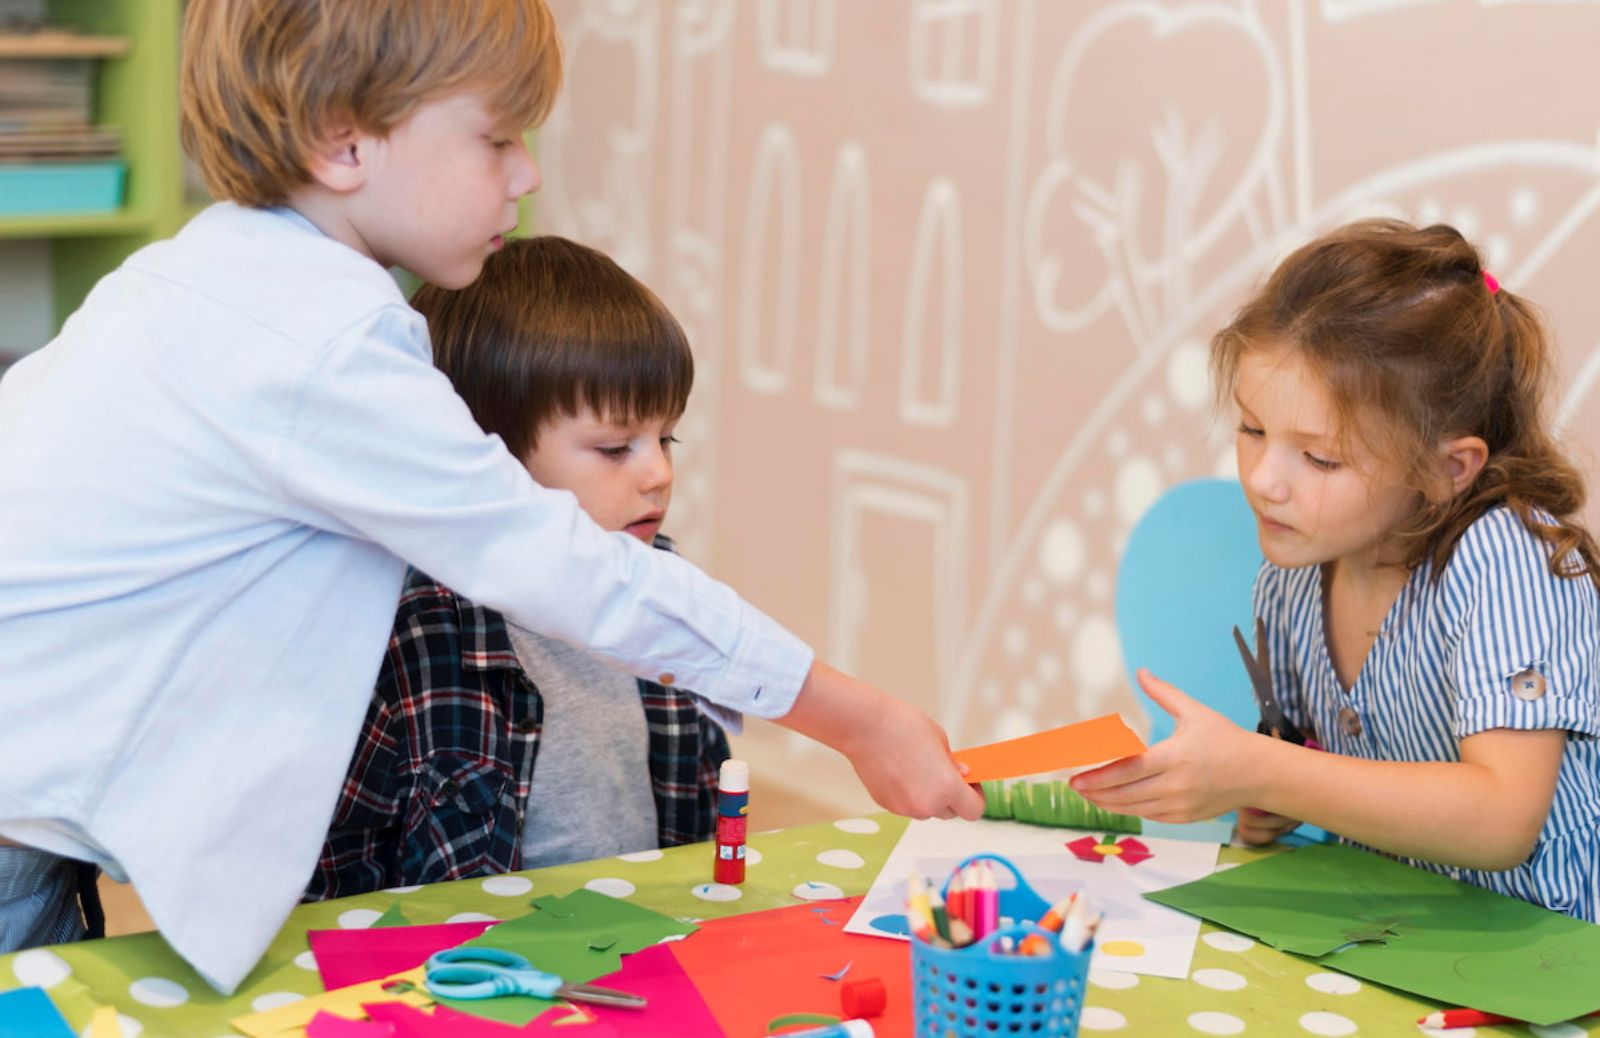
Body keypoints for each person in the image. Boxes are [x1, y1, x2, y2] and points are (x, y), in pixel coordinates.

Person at [0, 0, 980, 991]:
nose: (529, 172)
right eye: (497, 139)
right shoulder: (320, 350)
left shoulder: (196, 277)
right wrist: (857, 717)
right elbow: (562, 568)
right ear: (344, 142)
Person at [1074, 219, 1600, 919]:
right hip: (1412, 936)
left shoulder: (1505, 565)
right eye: (1253, 429)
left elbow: (1503, 818)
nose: (1264, 480)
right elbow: (1319, 768)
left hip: (1559, 957)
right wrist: (1267, 800)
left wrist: (1264, 771)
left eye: (1320, 458)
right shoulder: (1294, 574)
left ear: (1448, 469)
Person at [309, 236, 735, 896]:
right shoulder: (414, 629)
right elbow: (338, 868)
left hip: (645, 945)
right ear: (487, 462)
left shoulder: (660, 587)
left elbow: (699, 805)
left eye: (666, 437)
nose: (659, 472)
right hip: (464, 974)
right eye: (617, 447)